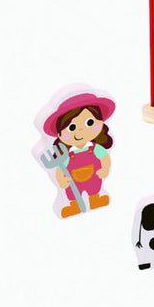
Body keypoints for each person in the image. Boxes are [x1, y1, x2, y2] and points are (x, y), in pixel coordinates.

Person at [41, 88, 115, 217]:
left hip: (94, 176)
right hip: (73, 180)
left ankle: (95, 199)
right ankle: (74, 206)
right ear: (59, 134)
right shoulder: (65, 155)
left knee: (94, 188)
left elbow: (104, 158)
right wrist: (61, 179)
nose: (80, 130)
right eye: (72, 127)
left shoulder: (96, 148)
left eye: (90, 122)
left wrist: (105, 169)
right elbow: (59, 169)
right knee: (73, 194)